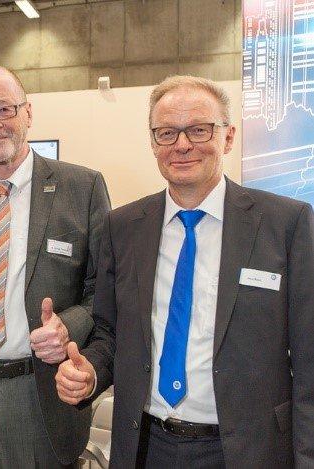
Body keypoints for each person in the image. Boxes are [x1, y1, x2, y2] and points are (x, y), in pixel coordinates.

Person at [56, 75, 314, 468]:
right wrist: (91, 372)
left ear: (228, 137)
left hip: (248, 450)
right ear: (153, 143)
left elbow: (309, 358)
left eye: (198, 129)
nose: (181, 145)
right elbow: (111, 332)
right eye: (167, 133)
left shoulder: (285, 224)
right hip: (146, 447)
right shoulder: (123, 227)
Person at [0, 65, 111, 467]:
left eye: (4, 109)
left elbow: (103, 291)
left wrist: (67, 326)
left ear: (28, 112)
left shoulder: (82, 188)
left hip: (37, 394)